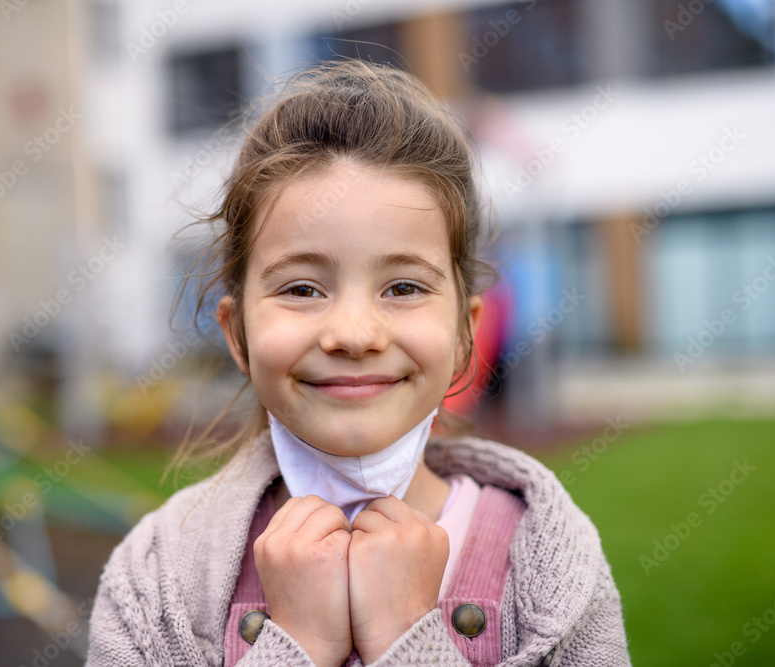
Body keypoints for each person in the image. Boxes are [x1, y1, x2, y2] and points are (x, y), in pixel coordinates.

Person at [86, 59, 631, 666]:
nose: (353, 334)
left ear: (462, 335)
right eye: (301, 289)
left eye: (402, 288)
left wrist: (408, 638)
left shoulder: (551, 561)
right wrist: (300, 646)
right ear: (236, 334)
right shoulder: (156, 573)